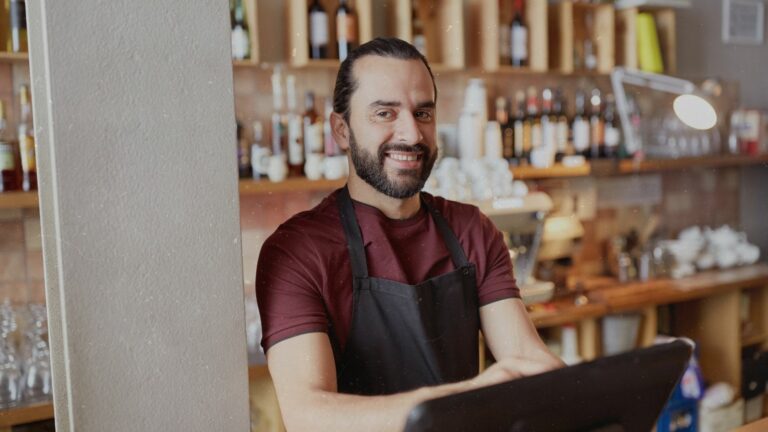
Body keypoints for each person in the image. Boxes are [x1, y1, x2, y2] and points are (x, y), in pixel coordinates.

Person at [256, 37, 563, 432]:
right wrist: (465, 399)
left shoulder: (471, 230)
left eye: (423, 113)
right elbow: (311, 417)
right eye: (385, 113)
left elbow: (529, 361)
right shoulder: (297, 251)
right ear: (342, 130)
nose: (413, 134)